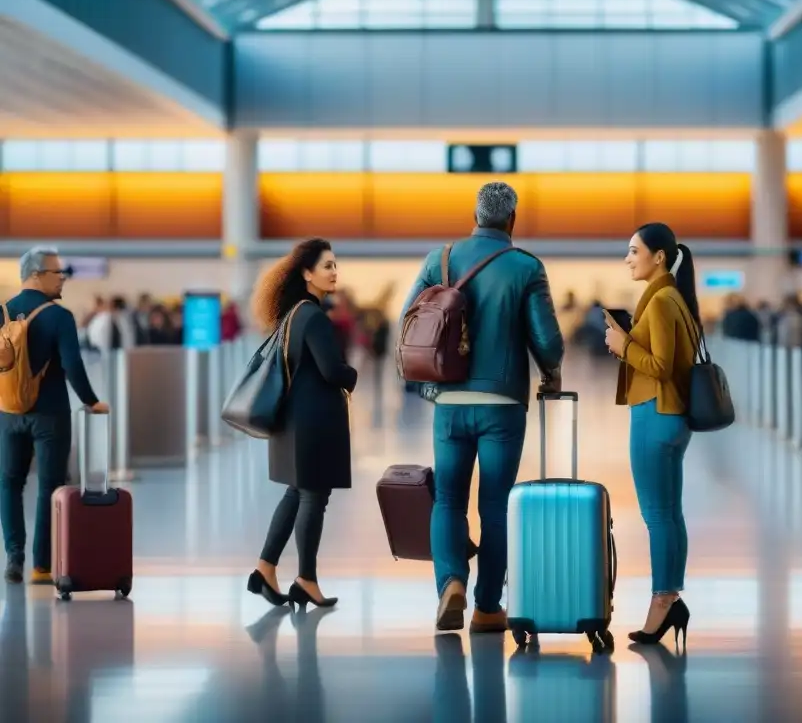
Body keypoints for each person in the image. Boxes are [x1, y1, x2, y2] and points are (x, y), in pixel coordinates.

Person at [399, 181, 564, 633]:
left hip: (449, 402)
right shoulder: (525, 266)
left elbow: (406, 321)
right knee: (495, 505)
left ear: (474, 214)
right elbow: (548, 342)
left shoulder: (441, 259)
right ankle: (487, 606)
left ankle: (450, 581)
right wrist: (551, 370)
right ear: (513, 219)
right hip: (501, 405)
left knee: (448, 498)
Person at [603, 222, 700, 648]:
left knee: (657, 517)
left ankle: (662, 600)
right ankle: (671, 596)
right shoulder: (675, 298)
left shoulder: (659, 301)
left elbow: (660, 366)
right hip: (674, 417)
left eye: (633, 250)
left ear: (659, 256)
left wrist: (623, 345)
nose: (628, 258)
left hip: (654, 414)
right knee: (671, 514)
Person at [248, 238, 358, 610]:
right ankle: (306, 579)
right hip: (313, 420)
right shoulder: (312, 316)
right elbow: (331, 370)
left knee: (297, 492)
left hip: (295, 418)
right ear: (306, 273)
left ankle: (265, 567)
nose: (333, 271)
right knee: (313, 497)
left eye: (334, 264)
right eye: (326, 266)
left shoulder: (293, 313)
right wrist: (351, 373)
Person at [1, 246, 108, 585]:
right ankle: (41, 565)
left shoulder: (2, 311)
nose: (63, 278)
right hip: (50, 415)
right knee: (50, 486)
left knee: (9, 483)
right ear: (35, 275)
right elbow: (72, 366)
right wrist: (92, 402)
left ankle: (13, 557)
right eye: (56, 272)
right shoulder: (59, 317)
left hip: (8, 412)